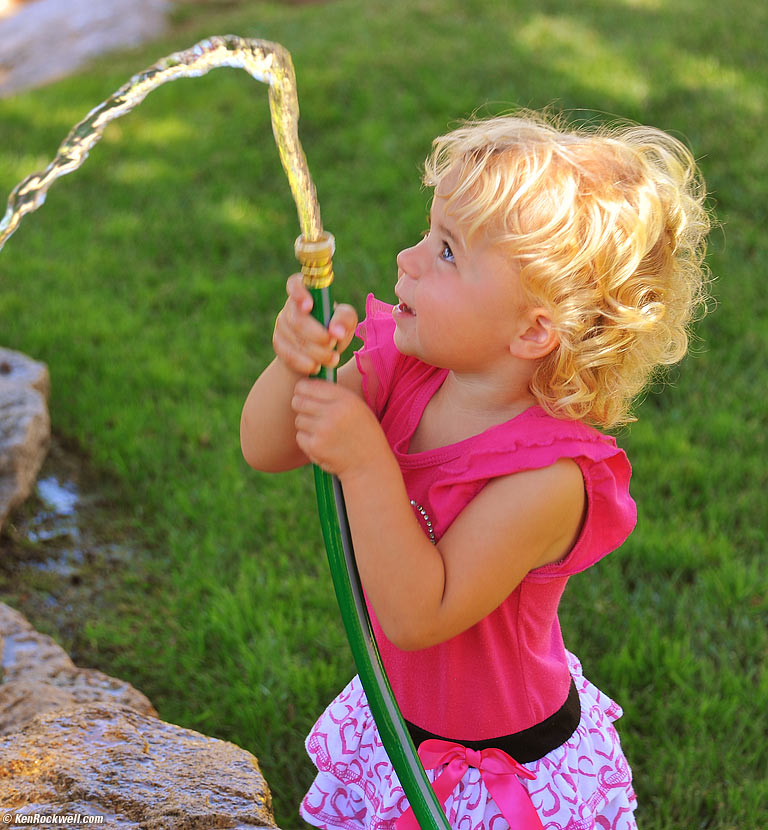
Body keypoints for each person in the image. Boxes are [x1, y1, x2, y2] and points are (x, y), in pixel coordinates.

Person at [240, 111, 711, 830]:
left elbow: (417, 615)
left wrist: (367, 462)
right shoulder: (406, 368)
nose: (407, 258)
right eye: (429, 233)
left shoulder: (547, 480)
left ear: (531, 330)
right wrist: (293, 365)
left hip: (506, 767)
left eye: (448, 253)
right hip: (400, 728)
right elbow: (268, 447)